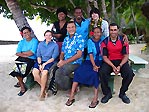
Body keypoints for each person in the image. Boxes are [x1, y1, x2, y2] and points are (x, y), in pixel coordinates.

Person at [66, 27, 103, 108]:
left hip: (99, 61)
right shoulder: (90, 41)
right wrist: (93, 65)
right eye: (95, 32)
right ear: (92, 33)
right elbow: (90, 54)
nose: (96, 34)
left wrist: (124, 36)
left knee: (95, 74)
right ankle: (71, 95)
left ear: (101, 33)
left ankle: (95, 98)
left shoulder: (103, 40)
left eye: (98, 32)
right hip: (88, 61)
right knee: (78, 72)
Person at [99, 23, 135, 104]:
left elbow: (126, 55)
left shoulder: (123, 40)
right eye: (111, 30)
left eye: (115, 30)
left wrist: (119, 66)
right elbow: (105, 57)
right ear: (109, 31)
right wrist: (113, 66)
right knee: (102, 72)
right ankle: (107, 93)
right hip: (109, 61)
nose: (113, 32)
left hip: (121, 61)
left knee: (130, 74)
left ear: (118, 30)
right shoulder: (105, 42)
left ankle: (122, 93)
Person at [49, 21, 84, 94]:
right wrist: (61, 60)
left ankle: (71, 86)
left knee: (59, 73)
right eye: (69, 27)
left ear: (75, 28)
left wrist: (64, 62)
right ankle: (53, 85)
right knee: (52, 68)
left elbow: (79, 55)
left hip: (75, 63)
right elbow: (62, 52)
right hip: (65, 61)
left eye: (72, 27)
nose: (71, 29)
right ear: (67, 29)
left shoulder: (79, 38)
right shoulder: (66, 39)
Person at [9, 26, 38, 96]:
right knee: (16, 70)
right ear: (22, 34)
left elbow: (32, 53)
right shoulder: (21, 42)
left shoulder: (34, 41)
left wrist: (22, 53)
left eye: (27, 32)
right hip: (21, 58)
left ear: (30, 32)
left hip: (31, 59)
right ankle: (22, 85)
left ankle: (21, 83)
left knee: (22, 71)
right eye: (24, 33)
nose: (26, 34)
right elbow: (17, 53)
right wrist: (26, 54)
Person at [32, 30, 59, 100]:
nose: (48, 37)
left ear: (52, 36)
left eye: (50, 35)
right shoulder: (40, 44)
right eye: (46, 35)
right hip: (41, 61)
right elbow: (38, 55)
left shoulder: (55, 45)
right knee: (35, 73)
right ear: (44, 36)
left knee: (44, 73)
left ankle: (41, 92)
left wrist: (45, 64)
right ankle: (45, 88)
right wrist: (40, 64)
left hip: (50, 61)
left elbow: (53, 58)